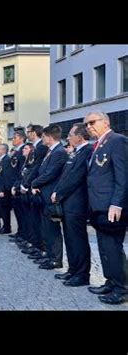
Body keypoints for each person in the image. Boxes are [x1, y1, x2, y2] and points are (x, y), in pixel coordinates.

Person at [84, 111, 128, 304]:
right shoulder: (99, 144)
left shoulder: (117, 141)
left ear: (106, 122)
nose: (88, 126)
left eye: (92, 122)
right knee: (104, 247)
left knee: (113, 248)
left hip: (111, 206)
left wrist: (117, 203)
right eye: (86, 124)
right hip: (98, 206)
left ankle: (122, 288)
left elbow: (123, 175)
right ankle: (110, 281)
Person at [51, 123, 92, 287]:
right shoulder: (76, 152)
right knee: (70, 238)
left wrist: (59, 193)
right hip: (68, 204)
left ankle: (82, 274)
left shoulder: (87, 151)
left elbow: (76, 178)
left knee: (78, 240)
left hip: (77, 204)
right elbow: (65, 177)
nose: (68, 138)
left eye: (71, 134)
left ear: (80, 137)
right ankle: (73, 270)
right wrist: (57, 190)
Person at [31, 124, 68, 270]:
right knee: (46, 228)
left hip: (51, 196)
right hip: (44, 195)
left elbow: (50, 174)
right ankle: (49, 255)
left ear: (49, 136)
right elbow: (42, 170)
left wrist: (34, 183)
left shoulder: (59, 152)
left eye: (44, 136)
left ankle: (55, 259)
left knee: (53, 229)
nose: (43, 139)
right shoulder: (50, 151)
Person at [20, 124, 49, 260]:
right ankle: (36, 245)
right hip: (30, 186)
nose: (27, 134)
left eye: (29, 132)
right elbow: (29, 167)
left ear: (34, 133)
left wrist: (28, 184)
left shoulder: (41, 148)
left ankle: (41, 247)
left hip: (36, 188)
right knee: (34, 220)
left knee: (40, 222)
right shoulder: (36, 148)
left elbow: (36, 168)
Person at [9, 130, 27, 241]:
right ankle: (20, 232)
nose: (13, 139)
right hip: (14, 184)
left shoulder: (23, 151)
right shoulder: (16, 152)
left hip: (19, 185)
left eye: (15, 137)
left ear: (21, 138)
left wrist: (17, 185)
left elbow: (21, 170)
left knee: (22, 213)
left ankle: (23, 234)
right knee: (18, 213)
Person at [0, 144, 13, 234]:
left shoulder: (6, 160)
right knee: (1, 209)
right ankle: (4, 226)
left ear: (4, 150)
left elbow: (7, 177)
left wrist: (3, 190)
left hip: (3, 191)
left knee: (5, 210)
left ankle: (6, 227)